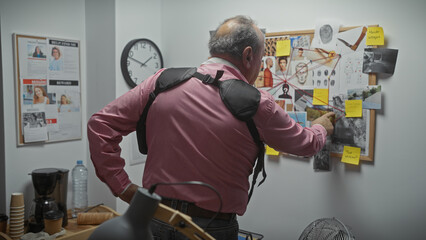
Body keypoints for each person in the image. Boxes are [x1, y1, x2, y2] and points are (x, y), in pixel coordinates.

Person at [87, 15, 334, 240]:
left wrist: (124, 187)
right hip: (210, 228)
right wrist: (321, 127)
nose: (259, 68)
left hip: (153, 218)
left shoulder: (160, 81)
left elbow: (100, 125)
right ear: (248, 56)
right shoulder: (258, 104)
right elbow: (306, 144)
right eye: (260, 59)